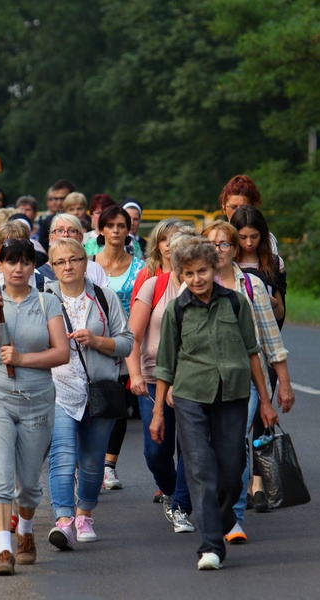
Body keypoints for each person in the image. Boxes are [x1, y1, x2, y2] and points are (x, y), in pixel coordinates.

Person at [150, 236, 278, 570]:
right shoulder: (177, 310)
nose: (197, 279)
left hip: (234, 395)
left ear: (214, 268)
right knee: (200, 468)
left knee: (232, 471)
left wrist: (265, 401)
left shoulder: (236, 303)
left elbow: (253, 353)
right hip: (191, 395)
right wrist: (157, 411)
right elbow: (165, 363)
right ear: (181, 275)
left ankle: (219, 521)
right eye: (189, 273)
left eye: (202, 271)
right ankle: (211, 546)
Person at [0, 238, 69, 575]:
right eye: (11, 262)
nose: (18, 268)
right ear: (0, 266)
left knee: (27, 483)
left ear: (33, 266)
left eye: (25, 262)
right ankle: (4, 549)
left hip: (37, 402)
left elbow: (62, 353)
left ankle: (25, 533)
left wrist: (24, 358)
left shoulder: (47, 301)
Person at [202, 220, 295, 540]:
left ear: (235, 249)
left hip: (247, 378)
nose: (218, 250)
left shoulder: (252, 286)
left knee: (236, 444)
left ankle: (233, 518)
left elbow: (272, 339)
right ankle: (211, 506)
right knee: (207, 448)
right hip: (201, 380)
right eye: (212, 244)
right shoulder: (196, 283)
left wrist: (283, 383)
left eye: (224, 244)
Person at [45, 239, 133, 549]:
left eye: (74, 259)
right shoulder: (43, 299)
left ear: (86, 262)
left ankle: (84, 515)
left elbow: (126, 342)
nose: (67, 266)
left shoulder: (104, 298)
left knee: (94, 463)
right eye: (60, 262)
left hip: (99, 391)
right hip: (57, 391)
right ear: (52, 267)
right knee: (62, 457)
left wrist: (96, 341)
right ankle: (64, 521)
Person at [126, 229, 194, 532]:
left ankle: (181, 505)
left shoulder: (205, 287)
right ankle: (170, 489)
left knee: (192, 445)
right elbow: (133, 337)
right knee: (157, 450)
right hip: (154, 379)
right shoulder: (154, 285)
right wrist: (135, 375)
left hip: (194, 381)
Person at [93, 205, 144, 488]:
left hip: (126, 342)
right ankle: (88, 463)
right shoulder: (87, 263)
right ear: (101, 229)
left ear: (128, 231)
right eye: (110, 225)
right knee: (92, 402)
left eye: (121, 226)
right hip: (93, 341)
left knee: (118, 405)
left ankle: (109, 465)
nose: (116, 231)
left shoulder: (140, 268)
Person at [230, 205, 286, 327]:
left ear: (263, 234)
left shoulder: (274, 263)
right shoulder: (228, 261)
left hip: (265, 332)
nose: (249, 243)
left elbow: (280, 314)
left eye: (254, 237)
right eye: (243, 237)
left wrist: (272, 302)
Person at [37, 214, 107, 287]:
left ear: (80, 238)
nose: (66, 235)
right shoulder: (38, 275)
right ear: (51, 238)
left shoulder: (94, 269)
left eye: (72, 231)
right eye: (60, 230)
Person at [218, 174, 279, 253]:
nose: (238, 212)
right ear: (223, 205)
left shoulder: (266, 240)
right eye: (233, 207)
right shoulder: (216, 238)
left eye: (244, 207)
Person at [130, 218, 182, 306]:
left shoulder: (191, 272)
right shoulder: (146, 274)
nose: (168, 243)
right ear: (157, 245)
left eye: (173, 238)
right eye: (162, 239)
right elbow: (135, 312)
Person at [38, 179, 75, 252]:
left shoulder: (86, 220)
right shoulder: (47, 222)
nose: (58, 203)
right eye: (55, 199)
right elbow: (43, 251)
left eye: (62, 198)